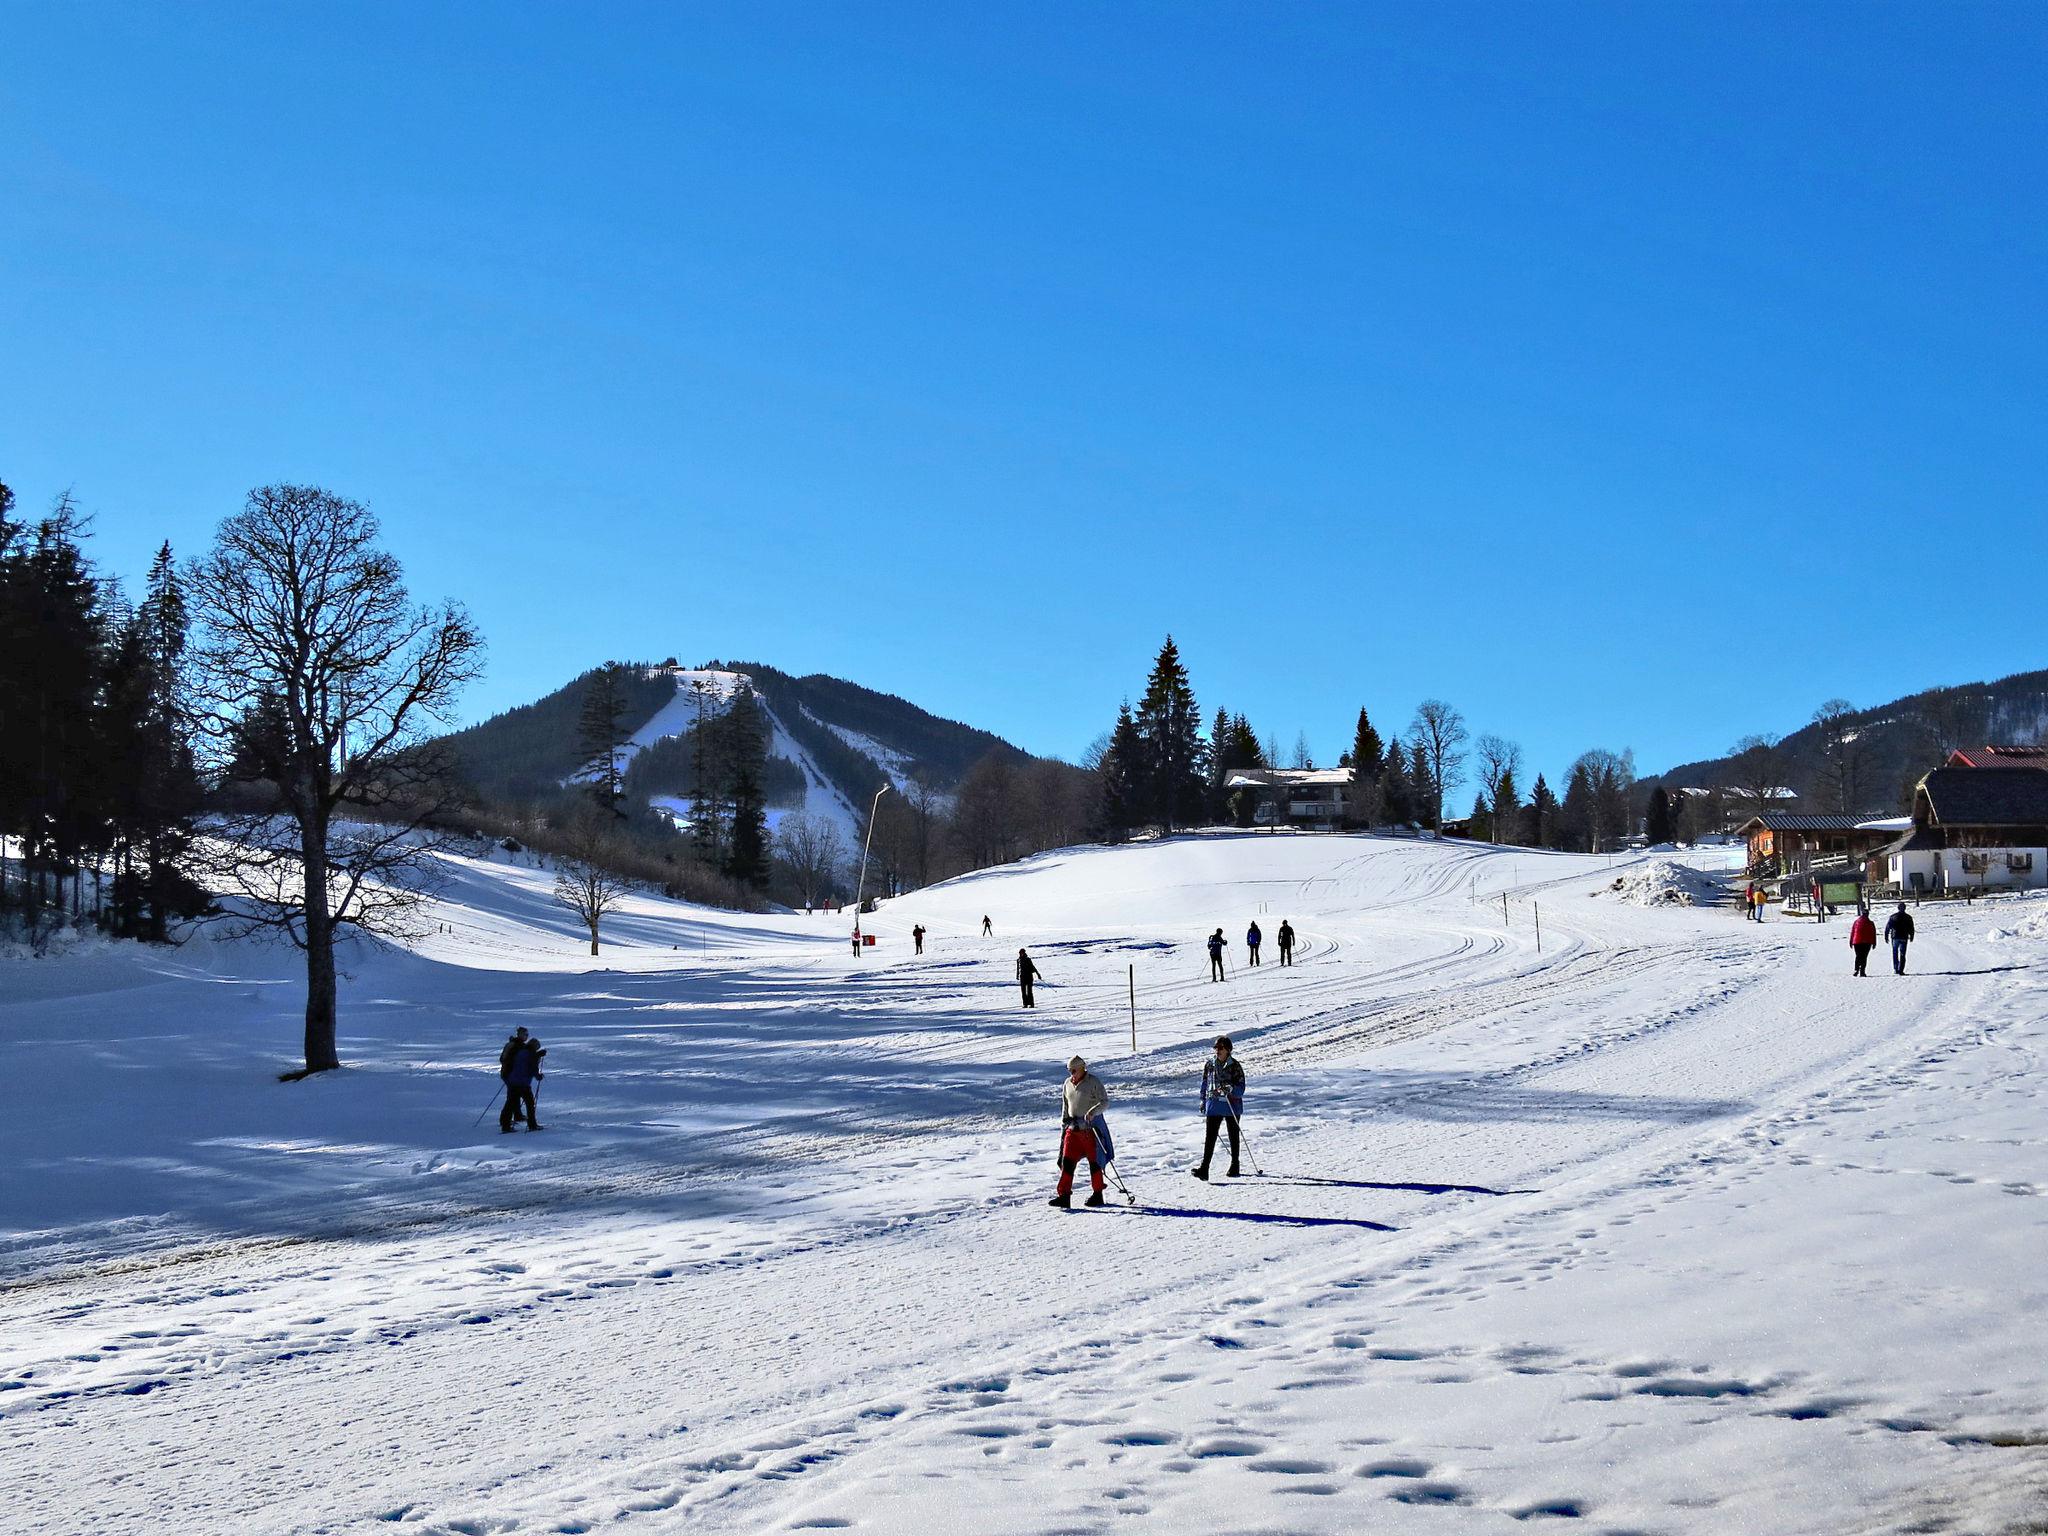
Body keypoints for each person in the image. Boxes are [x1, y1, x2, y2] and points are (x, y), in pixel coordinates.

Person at [1049, 1056, 1109, 1208]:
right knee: (1067, 1162)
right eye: (1069, 1071)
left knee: (1094, 1164)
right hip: (1072, 1130)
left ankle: (1097, 1194)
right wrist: (1064, 1124)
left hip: (1090, 1130)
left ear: (1082, 1068)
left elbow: (1104, 1102)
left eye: (1074, 1070)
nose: (1071, 1074)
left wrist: (1093, 1112)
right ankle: (1064, 1196)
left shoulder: (1093, 1082)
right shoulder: (1067, 1084)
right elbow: (1065, 1104)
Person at [1192, 1036, 1246, 1180]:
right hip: (1214, 1104)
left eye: (1221, 1048)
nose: (1217, 1051)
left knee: (1233, 1135)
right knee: (1210, 1137)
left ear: (1228, 1050)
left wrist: (1231, 1089)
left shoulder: (1235, 1066)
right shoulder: (1209, 1064)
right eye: (1216, 1048)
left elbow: (1241, 1089)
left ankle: (1235, 1164)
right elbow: (1205, 1083)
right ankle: (1204, 1168)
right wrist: (1202, 1100)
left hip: (1231, 1106)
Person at [498, 1027, 546, 1133]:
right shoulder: (529, 1053)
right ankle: (532, 1125)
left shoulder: (522, 1051)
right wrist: (538, 1077)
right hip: (522, 1083)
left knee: (510, 1102)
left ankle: (505, 1124)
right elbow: (532, 1068)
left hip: (513, 1079)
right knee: (529, 1103)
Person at [1884, 901, 1916, 974]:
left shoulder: (1893, 916)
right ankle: (1901, 969)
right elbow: (1911, 928)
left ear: (1898, 908)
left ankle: (1896, 968)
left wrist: (1886, 936)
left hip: (1895, 937)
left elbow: (1888, 927)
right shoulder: (1908, 917)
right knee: (1902, 954)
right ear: (1905, 908)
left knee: (1895, 953)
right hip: (1904, 937)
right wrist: (1911, 936)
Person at [1849, 907, 1877, 976]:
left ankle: (1856, 970)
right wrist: (1874, 942)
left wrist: (1851, 941)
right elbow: (1873, 933)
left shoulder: (1856, 922)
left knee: (1858, 956)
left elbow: (1853, 932)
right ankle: (1862, 971)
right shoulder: (1870, 923)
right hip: (1867, 942)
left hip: (1857, 941)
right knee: (1864, 957)